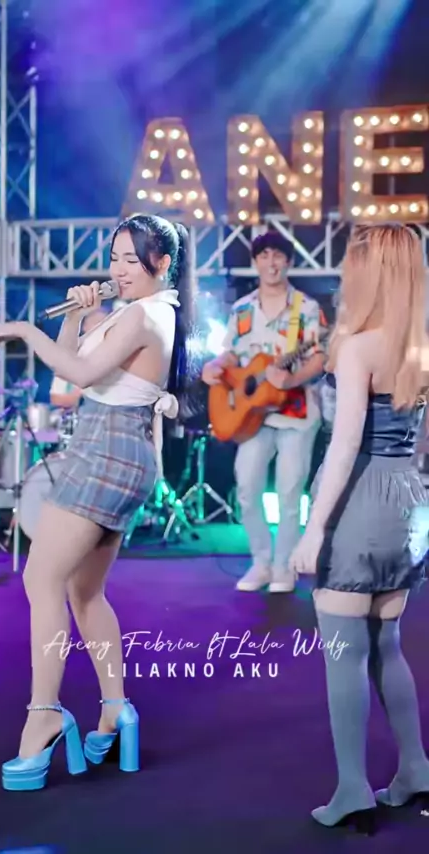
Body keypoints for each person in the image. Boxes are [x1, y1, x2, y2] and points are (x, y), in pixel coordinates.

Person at [0, 213, 192, 791]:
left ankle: (44, 715)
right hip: (115, 450)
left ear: (162, 263)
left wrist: (24, 329)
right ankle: (116, 709)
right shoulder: (141, 312)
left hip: (106, 453)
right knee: (83, 592)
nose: (118, 270)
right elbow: (66, 386)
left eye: (130, 260)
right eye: (114, 258)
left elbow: (80, 372)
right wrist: (73, 317)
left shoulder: (144, 314)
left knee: (41, 578)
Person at [289, 223, 429, 834]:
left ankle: (353, 789)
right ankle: (415, 768)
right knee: (386, 644)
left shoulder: (358, 347)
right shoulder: (421, 346)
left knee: (344, 655)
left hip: (359, 500)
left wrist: (313, 530)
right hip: (408, 503)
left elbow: (345, 445)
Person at [202, 231, 326, 593]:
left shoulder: (306, 308)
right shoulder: (242, 309)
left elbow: (319, 357)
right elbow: (231, 353)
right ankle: (261, 562)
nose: (271, 263)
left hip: (296, 414)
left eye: (278, 256)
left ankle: (285, 567)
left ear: (289, 261)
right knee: (246, 487)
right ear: (255, 262)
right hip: (251, 416)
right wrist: (216, 365)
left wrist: (292, 379)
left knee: (289, 493)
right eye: (264, 256)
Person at [49, 308, 108, 409]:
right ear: (84, 326)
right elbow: (55, 398)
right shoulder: (71, 356)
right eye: (96, 323)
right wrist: (80, 395)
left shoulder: (117, 358)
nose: (100, 328)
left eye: (104, 324)